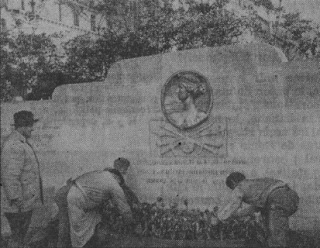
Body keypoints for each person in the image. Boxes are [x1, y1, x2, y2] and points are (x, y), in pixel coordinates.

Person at [54, 157, 137, 248]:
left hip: (66, 191)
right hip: (74, 197)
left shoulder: (101, 173)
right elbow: (124, 209)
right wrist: (131, 225)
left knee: (68, 226)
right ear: (118, 178)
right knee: (74, 234)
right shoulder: (114, 185)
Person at [216, 172, 299, 247]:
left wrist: (221, 217)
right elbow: (253, 209)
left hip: (276, 198)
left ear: (233, 183)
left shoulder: (240, 186)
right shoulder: (257, 185)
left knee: (275, 235)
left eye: (231, 188)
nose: (233, 190)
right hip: (291, 197)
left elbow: (233, 204)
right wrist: (237, 215)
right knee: (273, 227)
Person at [1, 110, 43, 248]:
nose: (32, 128)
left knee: (20, 237)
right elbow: (10, 175)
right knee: (17, 238)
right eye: (30, 125)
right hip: (18, 205)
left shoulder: (20, 142)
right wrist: (16, 199)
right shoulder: (14, 145)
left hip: (22, 203)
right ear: (23, 126)